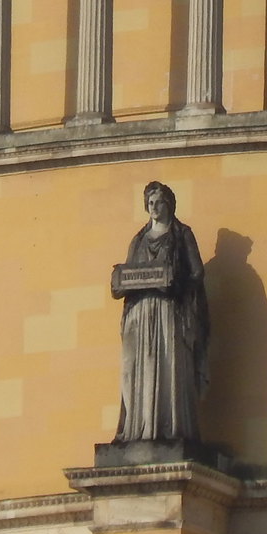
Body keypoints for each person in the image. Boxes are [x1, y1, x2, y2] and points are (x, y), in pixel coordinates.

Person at [112, 182, 210, 443]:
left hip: (169, 312)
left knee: (168, 363)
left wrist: (176, 284)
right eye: (150, 203)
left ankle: (170, 427)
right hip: (141, 313)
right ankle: (139, 427)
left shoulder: (182, 235)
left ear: (170, 204)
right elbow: (125, 276)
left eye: (159, 202)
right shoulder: (139, 239)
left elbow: (197, 272)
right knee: (136, 366)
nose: (154, 207)